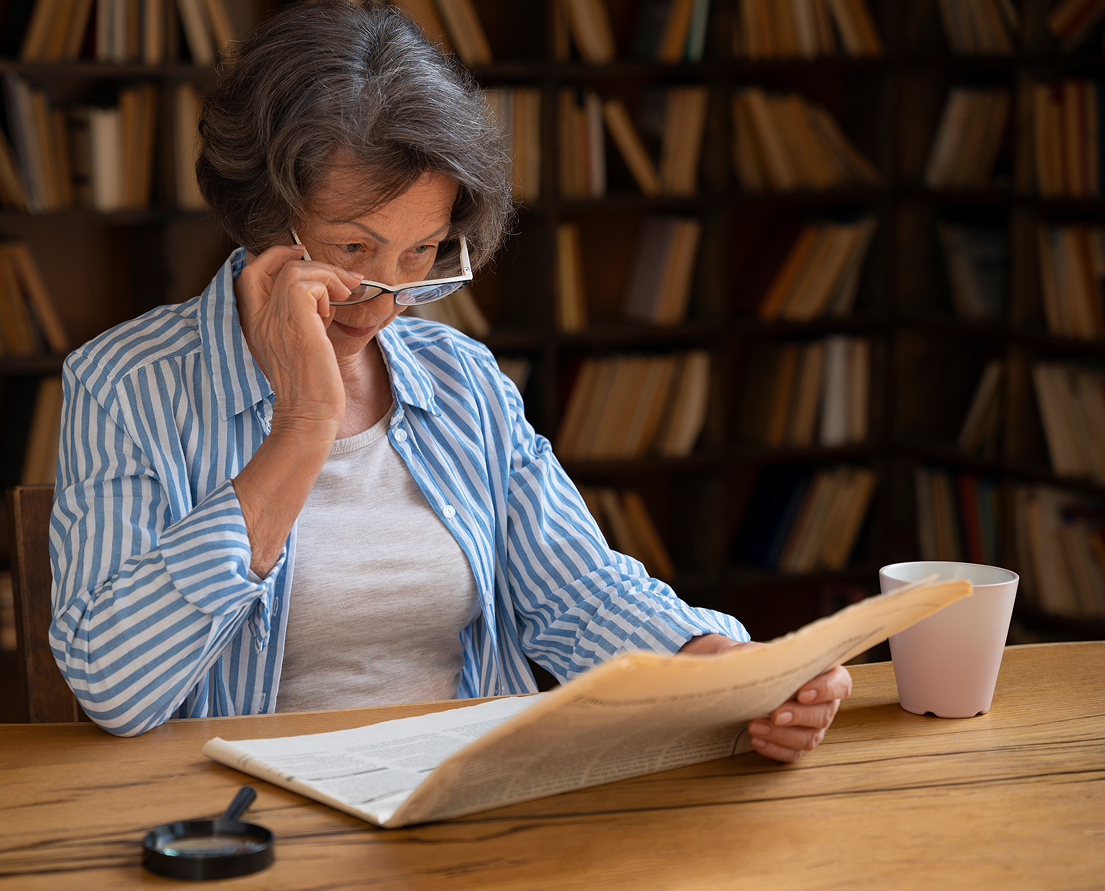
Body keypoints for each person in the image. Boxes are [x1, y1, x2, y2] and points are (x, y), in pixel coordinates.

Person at [48, 0, 851, 760]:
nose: (384, 303)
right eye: (352, 251)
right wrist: (302, 426)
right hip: (248, 824)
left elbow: (579, 592)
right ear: (263, 214)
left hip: (463, 803)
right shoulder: (126, 385)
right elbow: (115, 686)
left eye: (420, 254)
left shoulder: (461, 378)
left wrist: (729, 667)